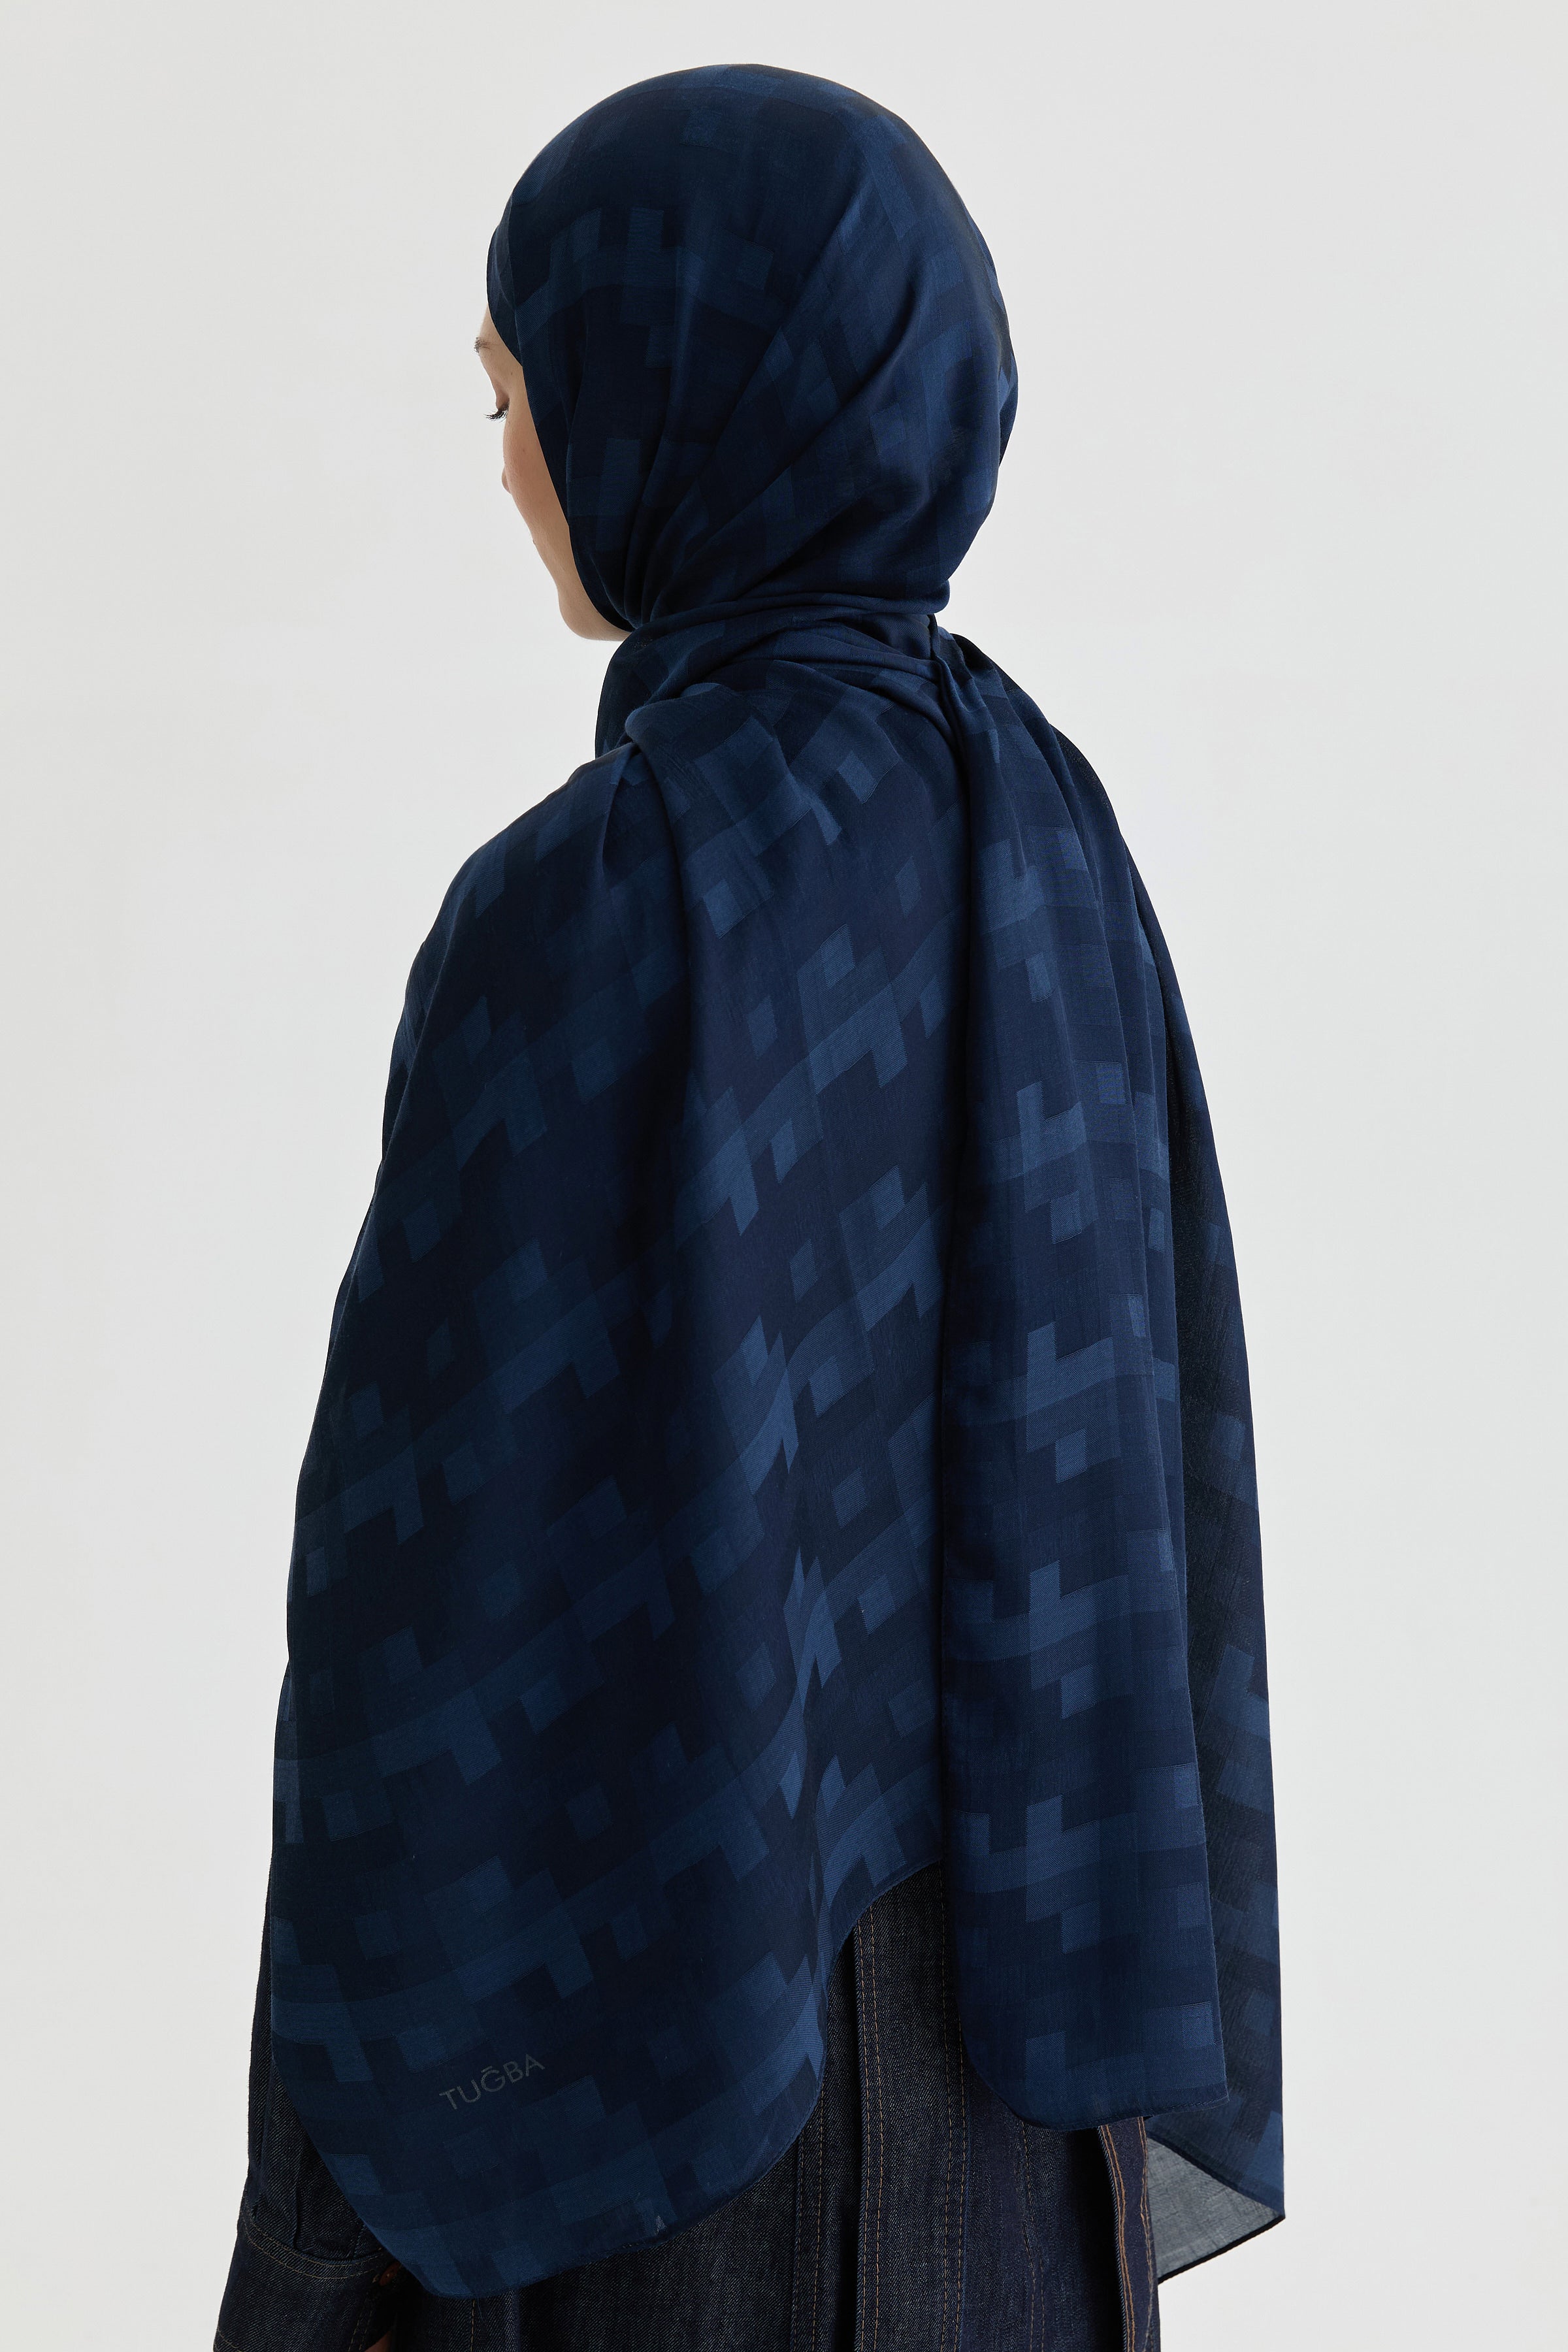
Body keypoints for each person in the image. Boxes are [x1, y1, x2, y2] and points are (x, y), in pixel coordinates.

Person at [215, 65, 1281, 2352]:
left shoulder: (603, 900)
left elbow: (424, 1631)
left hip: (648, 2131)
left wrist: (309, 2258)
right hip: (1037, 2127)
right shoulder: (1053, 834)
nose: (510, 463)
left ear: (677, 390)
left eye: (517, 390)